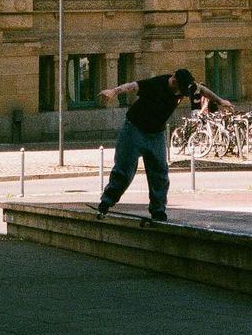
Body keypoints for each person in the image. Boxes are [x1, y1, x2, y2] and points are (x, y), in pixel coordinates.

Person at [96, 67, 231, 222]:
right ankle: (107, 201)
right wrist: (114, 91)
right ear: (173, 80)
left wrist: (220, 101)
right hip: (134, 129)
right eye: (179, 90)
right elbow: (132, 86)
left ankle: (158, 210)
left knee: (159, 172)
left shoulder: (187, 85)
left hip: (156, 134)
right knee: (125, 170)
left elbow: (202, 90)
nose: (180, 94)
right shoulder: (156, 83)